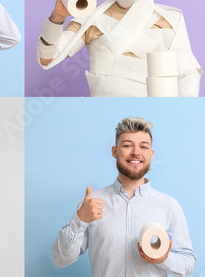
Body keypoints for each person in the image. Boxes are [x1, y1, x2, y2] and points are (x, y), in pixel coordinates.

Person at [37, 0, 202, 97]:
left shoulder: (172, 19)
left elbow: (188, 72)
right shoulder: (91, 19)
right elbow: (47, 58)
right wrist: (58, 16)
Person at [52, 117, 196, 276]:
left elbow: (188, 262)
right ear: (114, 151)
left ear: (151, 154)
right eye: (127, 145)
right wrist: (80, 219)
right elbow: (60, 260)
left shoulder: (169, 206)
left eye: (144, 146)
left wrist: (163, 258)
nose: (136, 152)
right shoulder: (91, 205)